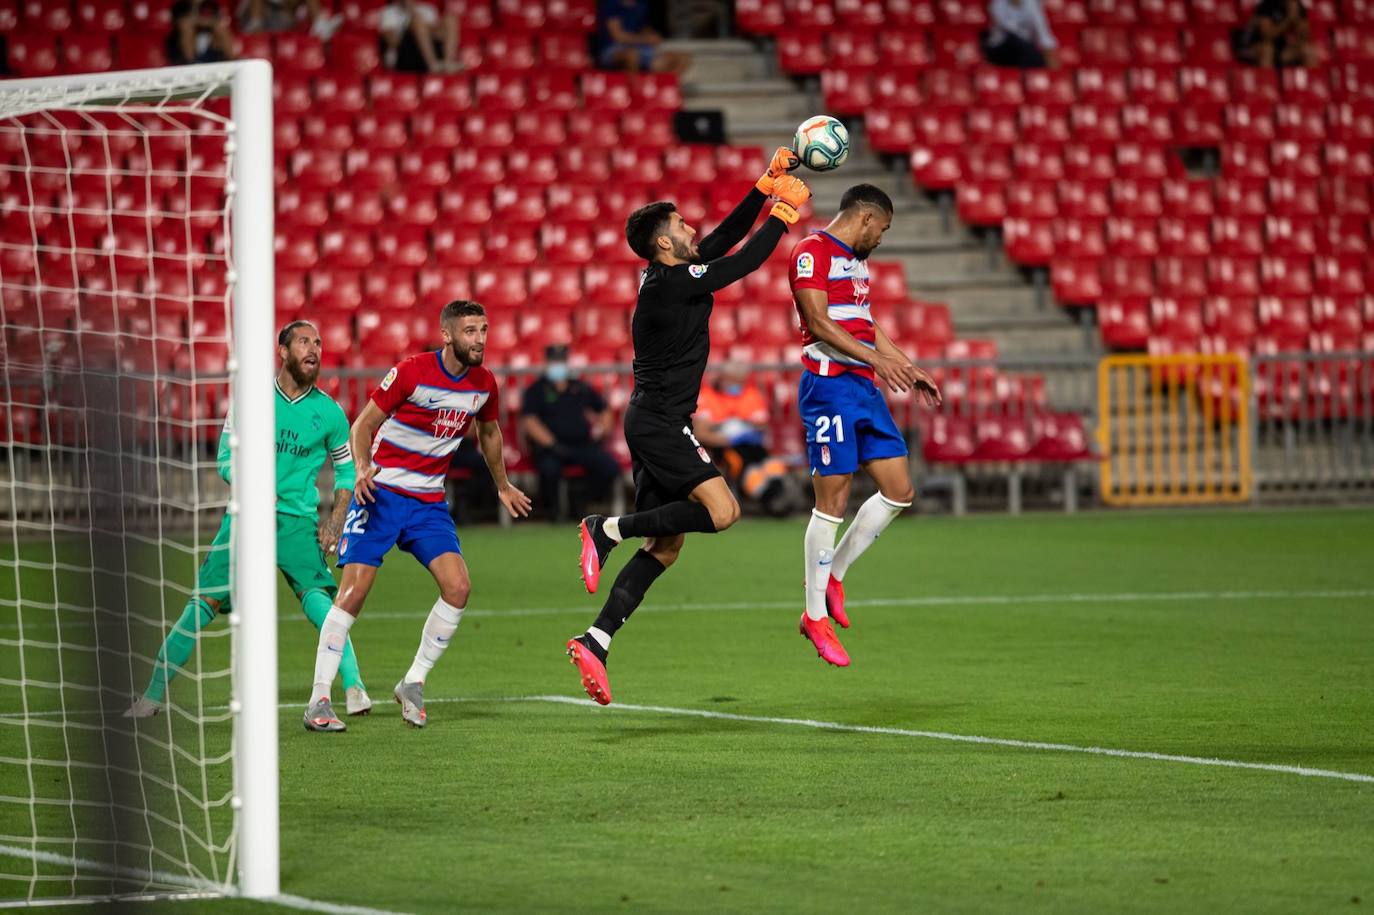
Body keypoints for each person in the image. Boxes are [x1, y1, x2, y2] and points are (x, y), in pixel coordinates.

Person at [565, 147, 808, 706]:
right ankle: (607, 529)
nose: (691, 227)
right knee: (724, 512)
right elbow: (740, 264)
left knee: (666, 548)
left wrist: (764, 184)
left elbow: (722, 243)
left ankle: (596, 641)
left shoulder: (672, 276)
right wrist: (783, 213)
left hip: (651, 420)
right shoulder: (669, 285)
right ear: (663, 242)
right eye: (680, 224)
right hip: (659, 423)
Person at [302, 300, 531, 732]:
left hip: (427, 502)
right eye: (469, 331)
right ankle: (319, 699)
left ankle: (413, 682)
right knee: (353, 592)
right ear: (447, 335)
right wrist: (363, 467)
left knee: (458, 587)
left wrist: (502, 484)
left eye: (483, 330)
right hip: (381, 493)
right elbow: (362, 426)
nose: (479, 339)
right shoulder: (412, 372)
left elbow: (488, 431)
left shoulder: (484, 383)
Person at [126, 321, 369, 718]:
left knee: (321, 605)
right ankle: (151, 697)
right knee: (201, 604)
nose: (314, 349)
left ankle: (355, 687)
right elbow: (225, 458)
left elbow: (345, 471)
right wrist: (251, 485)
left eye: (318, 342)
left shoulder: (330, 412)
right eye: (304, 342)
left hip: (296, 522)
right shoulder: (251, 400)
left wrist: (336, 518)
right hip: (245, 520)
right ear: (283, 351)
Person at [788, 185, 941, 667]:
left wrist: (907, 366)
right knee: (831, 503)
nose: (881, 239)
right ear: (867, 218)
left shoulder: (856, 263)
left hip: (862, 389)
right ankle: (814, 616)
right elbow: (817, 322)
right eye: (883, 230)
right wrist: (877, 362)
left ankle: (834, 576)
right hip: (828, 388)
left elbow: (866, 325)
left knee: (900, 491)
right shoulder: (811, 252)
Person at [520, 344, 620, 522]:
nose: (558, 365)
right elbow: (530, 421)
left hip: (581, 445)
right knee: (549, 470)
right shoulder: (536, 390)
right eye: (554, 361)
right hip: (552, 448)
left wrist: (601, 431)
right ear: (546, 363)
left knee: (609, 467)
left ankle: (582, 501)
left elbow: (604, 409)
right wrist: (552, 445)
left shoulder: (579, 387)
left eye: (561, 361)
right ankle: (555, 511)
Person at [694, 362, 790, 516]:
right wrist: (728, 438)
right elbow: (701, 433)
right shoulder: (707, 397)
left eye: (740, 381)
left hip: (752, 445)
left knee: (772, 465)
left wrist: (744, 426)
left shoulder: (751, 395)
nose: (736, 385)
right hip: (723, 447)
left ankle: (777, 495)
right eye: (732, 380)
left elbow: (761, 424)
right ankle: (770, 500)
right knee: (748, 469)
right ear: (723, 378)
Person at [596, 0, 689, 74]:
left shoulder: (641, 4)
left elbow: (644, 28)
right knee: (632, 56)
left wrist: (653, 37)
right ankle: (634, 89)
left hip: (639, 48)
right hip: (613, 49)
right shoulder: (611, 3)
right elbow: (618, 36)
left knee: (682, 58)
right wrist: (645, 39)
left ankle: (662, 87)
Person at [379, 0, 461, 74]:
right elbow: (393, 43)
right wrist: (412, 25)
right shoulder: (388, 12)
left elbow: (439, 36)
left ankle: (448, 63)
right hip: (404, 56)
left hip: (428, 50)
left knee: (450, 18)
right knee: (418, 22)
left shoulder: (428, 9)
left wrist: (423, 30)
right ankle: (432, 65)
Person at [1235, 0, 1315, 68]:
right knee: (1267, 50)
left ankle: (1313, 81)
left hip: (1281, 49)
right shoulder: (1266, 5)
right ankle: (1267, 81)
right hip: (1254, 46)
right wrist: (1288, 19)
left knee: (1307, 49)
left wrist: (1296, 18)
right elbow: (1267, 36)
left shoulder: (1297, 6)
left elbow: (1306, 37)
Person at [981, 0, 1058, 69]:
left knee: (1030, 54)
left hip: (1022, 49)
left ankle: (1028, 75)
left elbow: (1041, 29)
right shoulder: (997, 3)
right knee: (1017, 42)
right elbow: (1009, 29)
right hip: (1000, 47)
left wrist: (1048, 51)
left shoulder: (1032, 4)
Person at [166, 0, 236, 66]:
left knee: (220, 28)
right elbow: (180, 23)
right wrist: (196, 11)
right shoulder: (181, 5)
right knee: (187, 28)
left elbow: (215, 21)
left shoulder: (211, 4)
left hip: (208, 41)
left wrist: (203, 21)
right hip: (185, 43)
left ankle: (232, 59)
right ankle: (190, 62)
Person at [239, 0, 341, 39]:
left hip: (282, 19)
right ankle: (255, 24)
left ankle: (320, 24)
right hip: (252, 20)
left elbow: (290, 6)